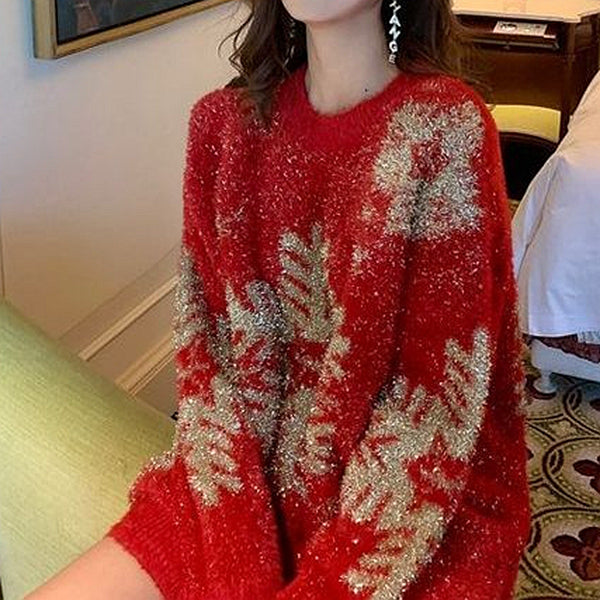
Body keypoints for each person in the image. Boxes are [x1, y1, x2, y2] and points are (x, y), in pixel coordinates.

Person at [26, 0, 532, 598]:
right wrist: (240, 552)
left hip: (405, 514)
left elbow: (432, 411)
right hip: (234, 477)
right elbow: (207, 361)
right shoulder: (222, 130)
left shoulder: (444, 131)